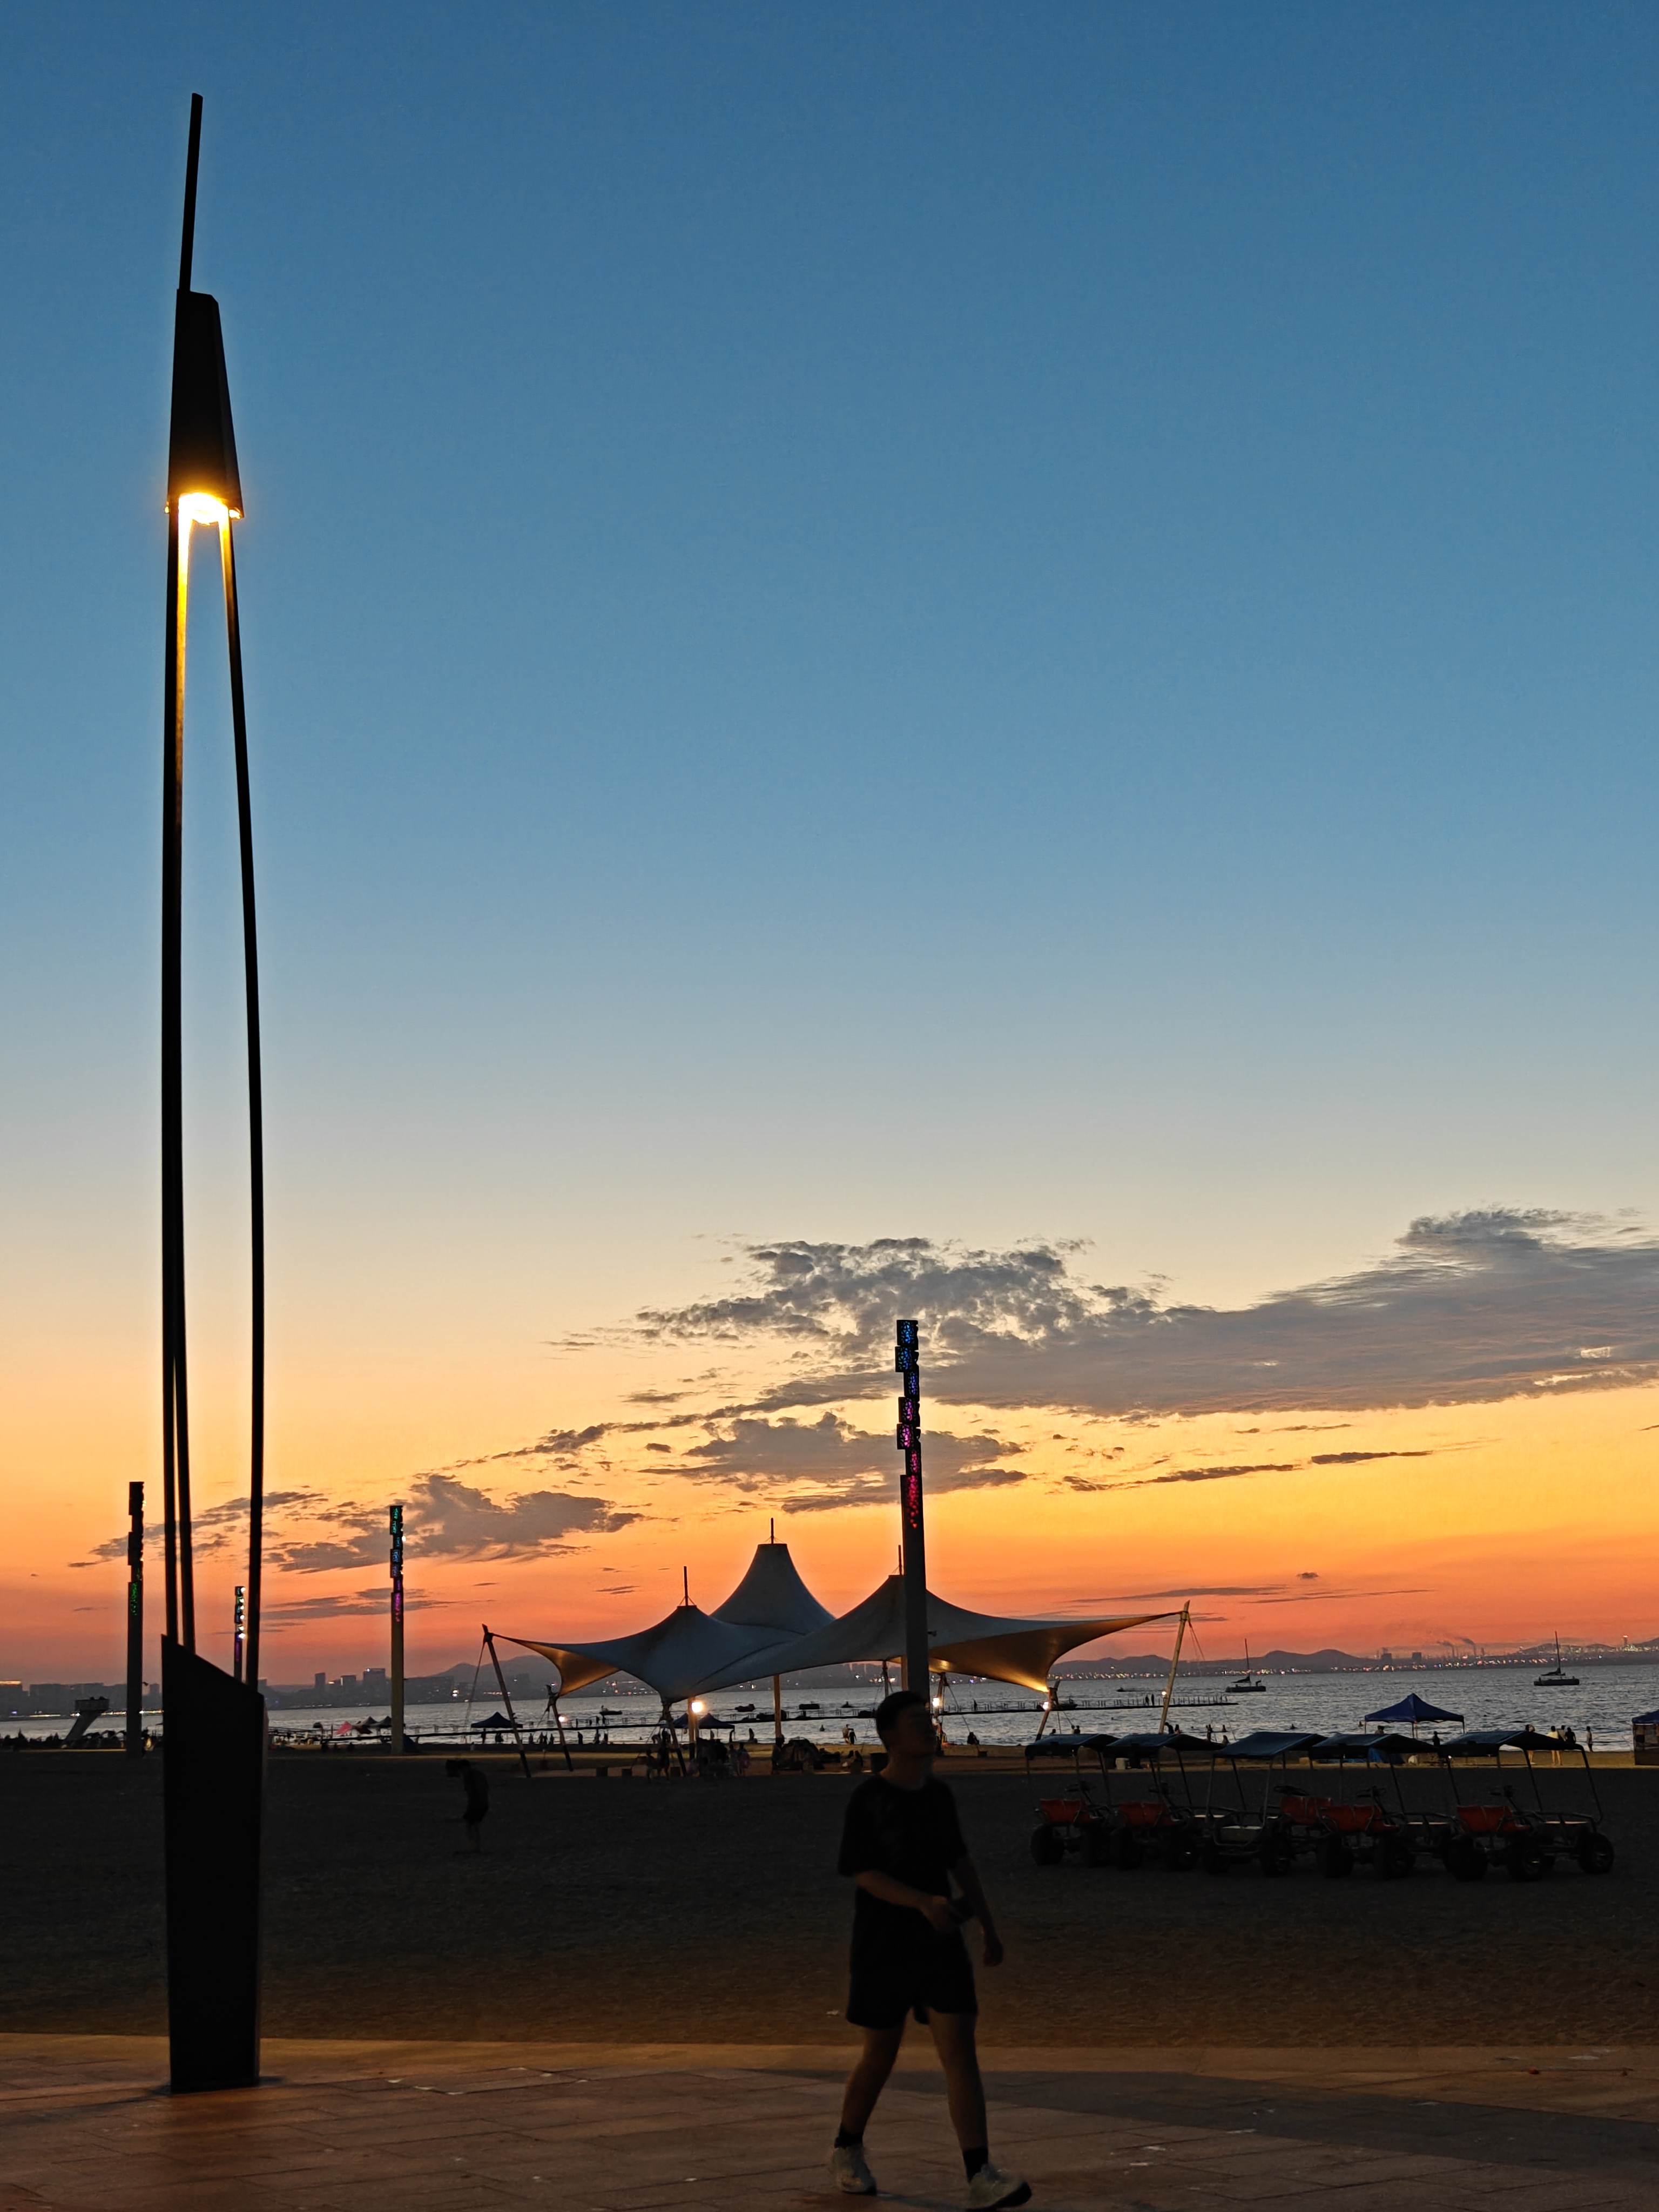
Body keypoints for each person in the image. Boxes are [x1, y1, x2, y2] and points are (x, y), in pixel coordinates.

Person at [829, 1688, 1029, 2208]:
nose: (927, 1728)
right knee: (880, 2053)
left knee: (960, 2049)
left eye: (928, 1720)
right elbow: (863, 1872)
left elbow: (960, 1863)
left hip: (940, 1942)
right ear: (890, 1737)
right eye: (916, 1722)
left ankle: (979, 2172)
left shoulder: (938, 1796)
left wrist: (988, 1926)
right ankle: (847, 2147)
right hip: (884, 1942)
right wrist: (921, 1902)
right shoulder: (869, 1798)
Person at [447, 1757, 489, 1851]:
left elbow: (471, 1792)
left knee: (469, 1825)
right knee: (476, 1824)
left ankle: (472, 1845)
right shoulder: (479, 1773)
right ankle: (478, 1845)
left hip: (476, 1803)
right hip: (485, 1803)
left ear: (464, 1768)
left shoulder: (468, 1776)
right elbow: (487, 1787)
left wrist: (470, 1805)